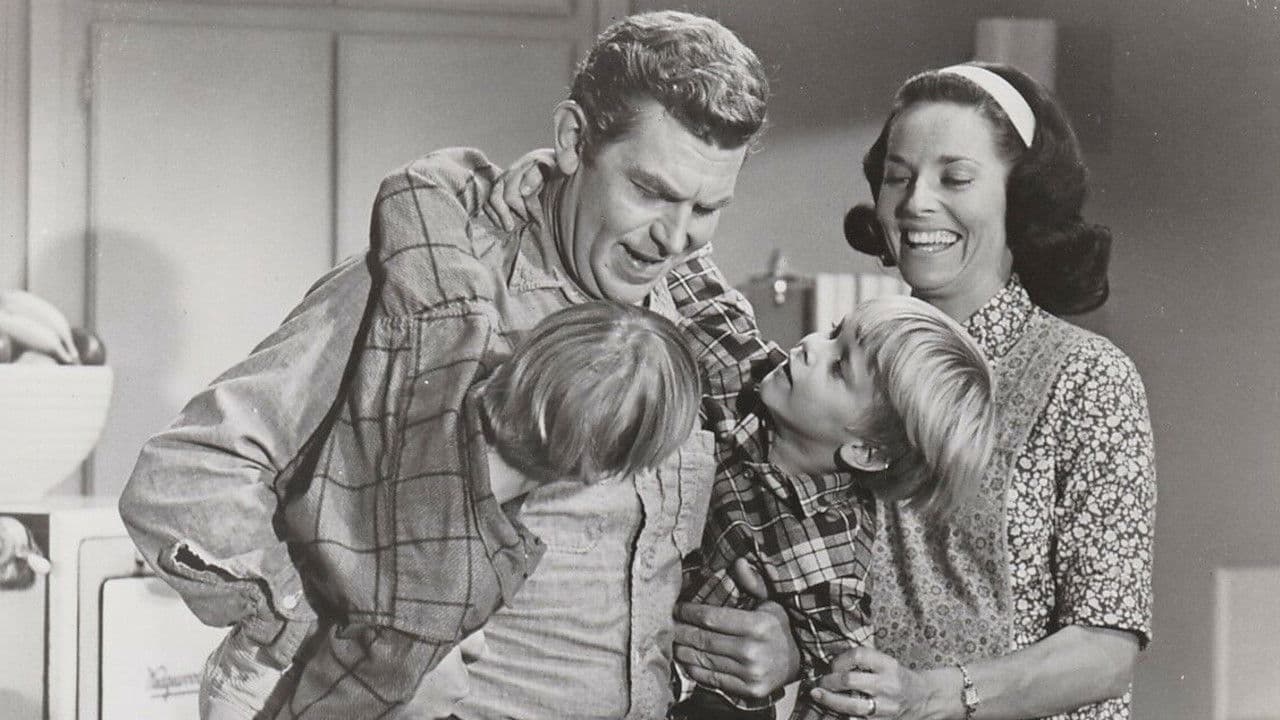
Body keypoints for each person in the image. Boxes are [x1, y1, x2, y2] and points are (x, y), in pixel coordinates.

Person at [119, 10, 793, 719]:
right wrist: (362, 640)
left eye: (707, 208)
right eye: (651, 192)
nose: (675, 238)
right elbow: (182, 482)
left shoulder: (695, 320)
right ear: (573, 140)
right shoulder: (428, 290)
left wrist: (783, 644)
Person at [808, 63, 1156, 719]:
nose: (916, 203)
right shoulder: (838, 367)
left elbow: (1106, 652)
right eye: (898, 177)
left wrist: (935, 696)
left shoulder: (1087, 377)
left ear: (1019, 199)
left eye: (955, 178)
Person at [200, 299, 704, 719]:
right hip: (280, 695)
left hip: (246, 663)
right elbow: (344, 700)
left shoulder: (432, 383)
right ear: (598, 471)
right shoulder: (454, 574)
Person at [675, 294, 997, 720]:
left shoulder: (833, 557)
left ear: (865, 451)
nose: (810, 345)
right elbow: (697, 291)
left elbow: (845, 692)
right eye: (832, 333)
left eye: (838, 367)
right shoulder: (745, 370)